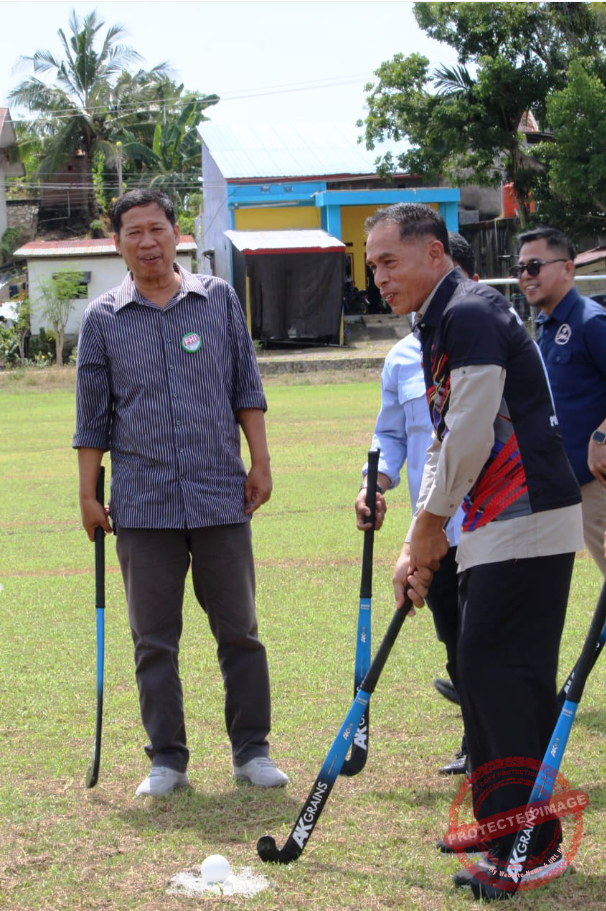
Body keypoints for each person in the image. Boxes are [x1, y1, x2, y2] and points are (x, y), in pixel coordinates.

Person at [365, 203, 583, 894]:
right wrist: (415, 538)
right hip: (493, 521)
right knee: (480, 670)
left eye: (388, 260)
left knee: (502, 673)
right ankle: (500, 832)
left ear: (435, 253)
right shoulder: (437, 320)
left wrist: (430, 525)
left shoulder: (470, 312)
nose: (377, 276)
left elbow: (469, 430)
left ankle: (535, 844)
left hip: (529, 516)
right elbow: (441, 440)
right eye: (371, 265)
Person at [73, 189, 288, 797]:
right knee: (153, 640)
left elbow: (246, 386)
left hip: (221, 494)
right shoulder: (102, 320)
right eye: (134, 232)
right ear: (117, 243)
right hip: (141, 504)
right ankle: (166, 760)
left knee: (239, 632)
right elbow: (92, 419)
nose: (148, 242)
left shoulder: (216, 300)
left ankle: (252, 752)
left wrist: (261, 463)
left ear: (178, 234)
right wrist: (88, 496)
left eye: (157, 229)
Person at [355, 233, 477, 776]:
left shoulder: (489, 339)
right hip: (431, 529)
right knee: (452, 632)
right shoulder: (402, 358)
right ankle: (479, 740)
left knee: (491, 637)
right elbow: (393, 438)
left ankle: (504, 742)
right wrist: (373, 486)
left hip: (490, 520)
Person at [516, 226, 606, 577]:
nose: (526, 276)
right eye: (520, 268)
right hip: (566, 482)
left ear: (567, 268)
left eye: (534, 266)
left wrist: (601, 436)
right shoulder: (547, 325)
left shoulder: (590, 321)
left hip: (597, 482)